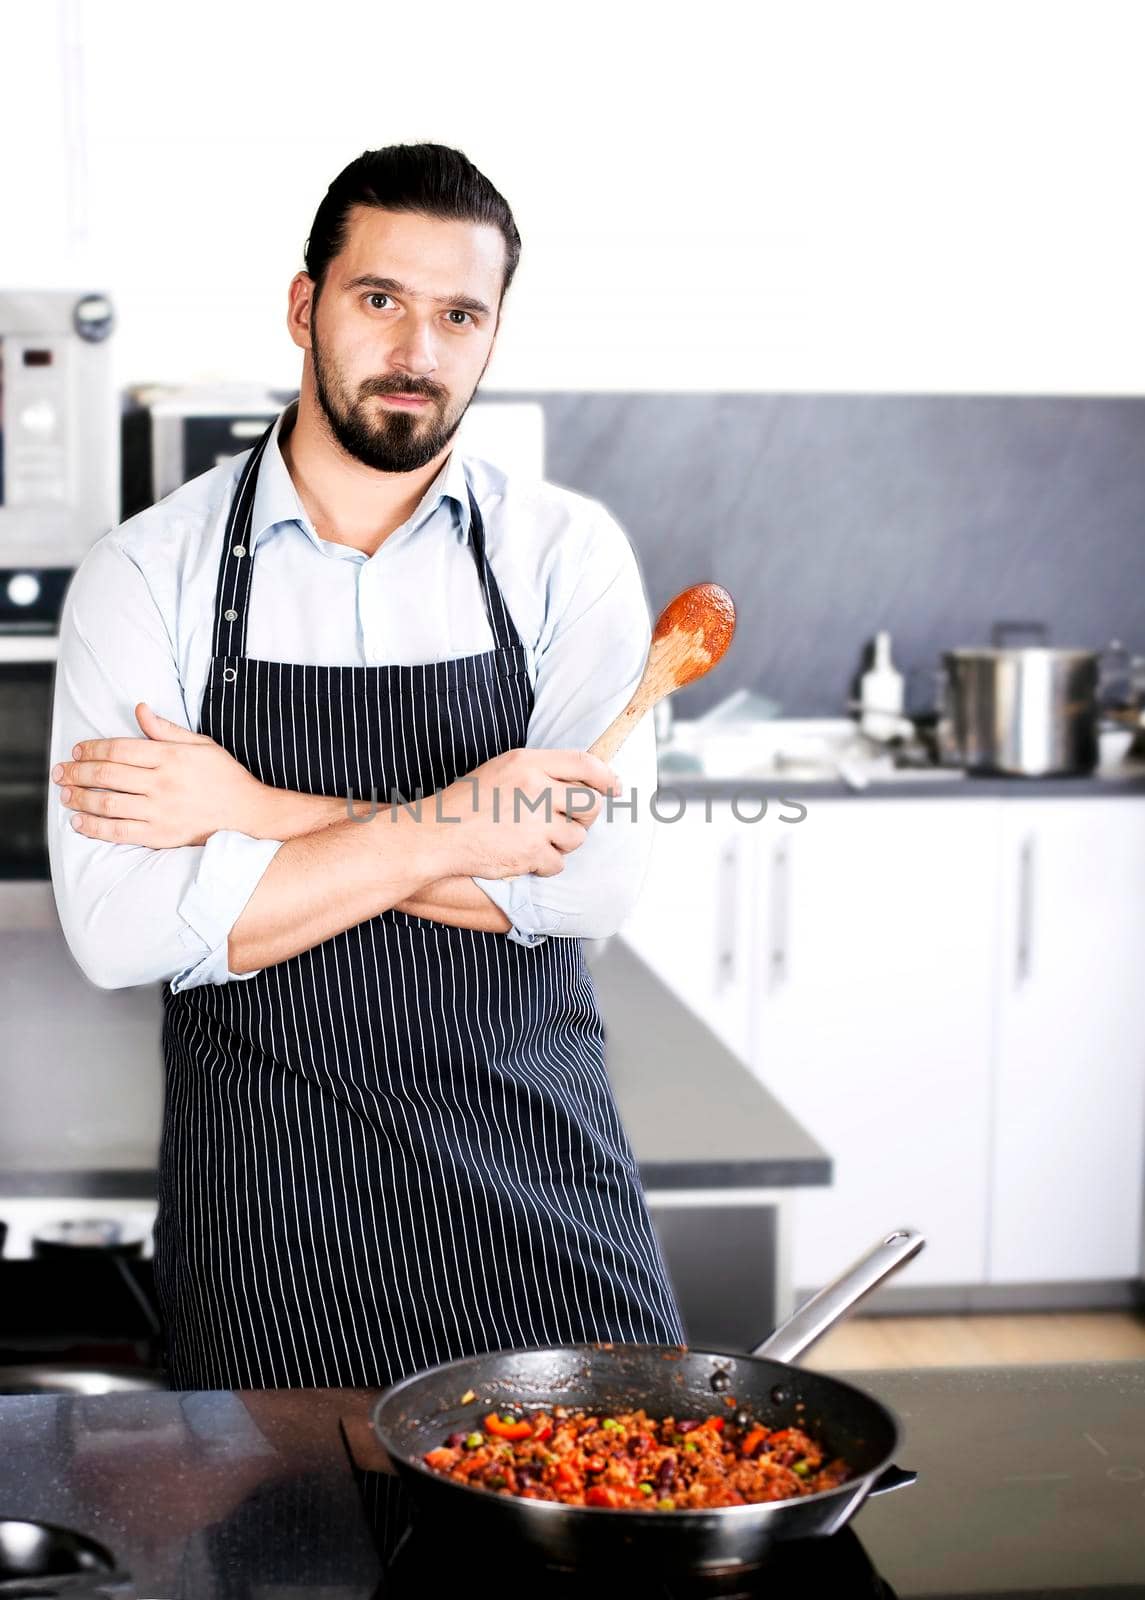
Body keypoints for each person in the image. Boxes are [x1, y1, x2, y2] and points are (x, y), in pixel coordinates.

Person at [47, 141, 685, 1388]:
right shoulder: (146, 574)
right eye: (379, 299)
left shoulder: (566, 555)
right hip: (270, 1214)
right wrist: (463, 826)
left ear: (493, 336)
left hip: (536, 1181)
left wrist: (248, 816)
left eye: (460, 314)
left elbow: (585, 884)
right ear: (305, 307)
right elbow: (121, 931)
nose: (418, 350)